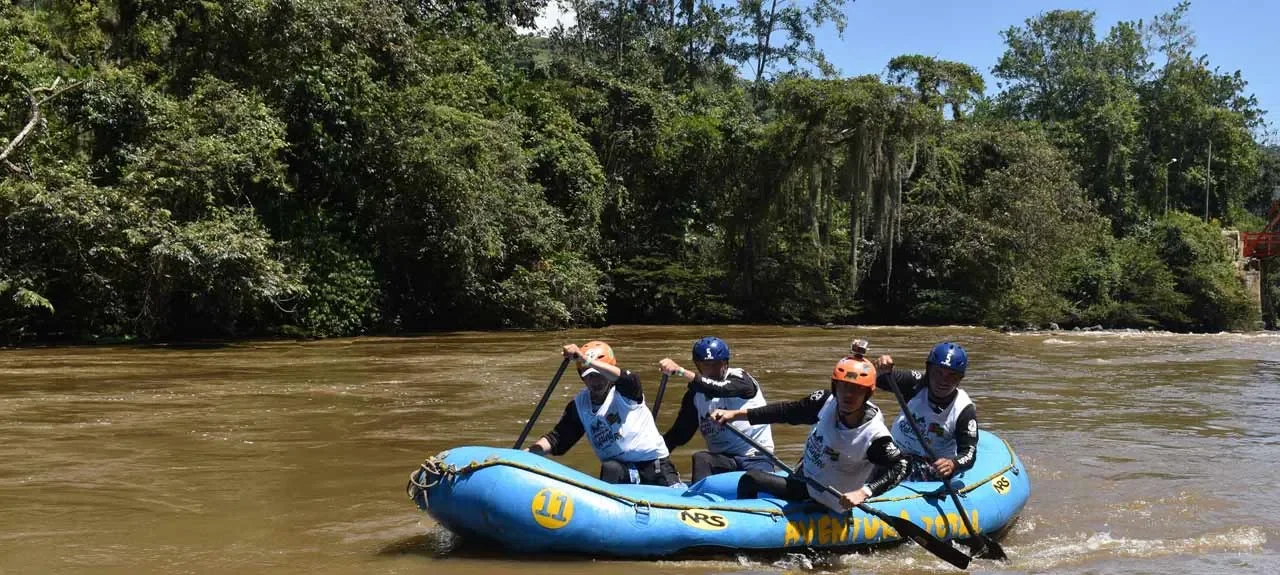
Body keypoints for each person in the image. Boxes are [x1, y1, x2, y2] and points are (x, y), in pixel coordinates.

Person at [709, 356, 908, 513]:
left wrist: (864, 492)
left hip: (829, 500)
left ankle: (748, 528)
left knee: (750, 479)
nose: (848, 395)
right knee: (749, 480)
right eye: (844, 387)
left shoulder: (874, 436)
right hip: (805, 480)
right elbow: (787, 411)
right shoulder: (825, 401)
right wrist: (736, 414)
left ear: (867, 394)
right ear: (835, 387)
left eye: (856, 390)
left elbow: (901, 466)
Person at [525, 341, 683, 487]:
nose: (596, 381)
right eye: (590, 376)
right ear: (583, 378)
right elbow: (558, 439)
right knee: (610, 468)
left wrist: (584, 358)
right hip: (622, 471)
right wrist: (529, 453)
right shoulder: (579, 405)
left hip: (654, 466)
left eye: (600, 374)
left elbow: (626, 377)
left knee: (613, 468)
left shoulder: (627, 390)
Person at [658, 336, 775, 483]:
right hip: (723, 461)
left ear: (725, 363)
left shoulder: (741, 379)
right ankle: (698, 503)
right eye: (705, 365)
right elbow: (679, 434)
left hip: (756, 458)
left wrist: (681, 371)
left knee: (750, 481)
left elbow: (720, 389)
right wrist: (652, 452)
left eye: (715, 364)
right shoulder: (694, 395)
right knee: (701, 458)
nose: (711, 370)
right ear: (698, 366)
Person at [873, 341, 978, 481]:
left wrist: (953, 464)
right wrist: (879, 368)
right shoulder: (916, 383)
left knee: (905, 467)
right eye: (938, 373)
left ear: (960, 379)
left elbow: (969, 453)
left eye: (951, 376)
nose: (943, 381)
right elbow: (880, 379)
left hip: (929, 466)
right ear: (928, 371)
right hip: (894, 454)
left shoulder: (964, 410)